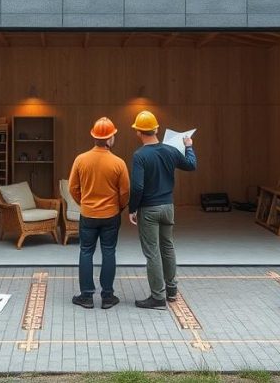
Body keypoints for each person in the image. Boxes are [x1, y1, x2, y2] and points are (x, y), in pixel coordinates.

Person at [128, 110, 197, 309]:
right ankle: (172, 290)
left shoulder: (140, 155)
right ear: (157, 129)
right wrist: (189, 147)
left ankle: (157, 297)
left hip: (149, 210)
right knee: (168, 247)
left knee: (152, 253)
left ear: (138, 132)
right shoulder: (170, 150)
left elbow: (138, 186)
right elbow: (191, 165)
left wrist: (133, 208)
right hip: (168, 207)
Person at [68, 117, 130, 310]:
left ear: (94, 136)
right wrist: (119, 207)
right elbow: (125, 192)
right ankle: (108, 297)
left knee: (86, 252)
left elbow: (72, 188)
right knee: (109, 252)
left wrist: (84, 203)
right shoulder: (118, 163)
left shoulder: (81, 159)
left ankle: (86, 296)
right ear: (110, 138)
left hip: (88, 214)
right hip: (111, 215)